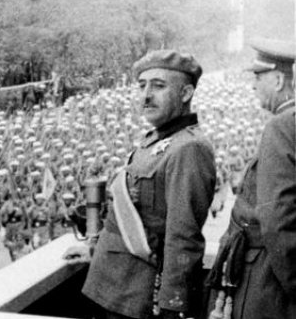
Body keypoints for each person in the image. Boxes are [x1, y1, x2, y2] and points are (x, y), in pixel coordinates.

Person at [66, 50, 216, 319]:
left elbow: (183, 238)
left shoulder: (188, 148)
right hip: (111, 288)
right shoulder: (153, 141)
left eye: (158, 86)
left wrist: (172, 305)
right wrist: (94, 247)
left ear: (185, 94)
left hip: (138, 300)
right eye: (142, 86)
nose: (146, 95)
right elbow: (137, 217)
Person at [207, 38, 296, 319]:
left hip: (269, 284)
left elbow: (278, 219)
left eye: (259, 77)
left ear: (279, 80)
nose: (253, 85)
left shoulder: (282, 126)